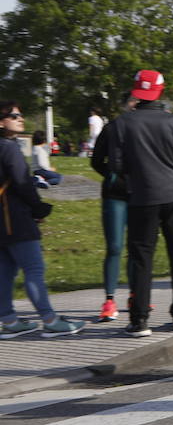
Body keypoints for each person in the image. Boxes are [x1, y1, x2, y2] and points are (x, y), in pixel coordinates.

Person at [106, 70, 173, 336]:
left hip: (142, 198)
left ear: (136, 91)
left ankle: (140, 319)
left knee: (142, 258)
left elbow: (115, 165)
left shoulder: (123, 124)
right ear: (160, 91)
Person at [0, 102, 85, 338]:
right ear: (1, 122)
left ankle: (8, 321)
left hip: (2, 221)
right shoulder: (9, 148)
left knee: (5, 271)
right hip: (15, 218)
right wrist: (38, 208)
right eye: (13, 115)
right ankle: (50, 320)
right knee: (34, 269)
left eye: (21, 114)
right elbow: (22, 183)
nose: (20, 118)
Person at [89, 93, 138, 322]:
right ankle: (109, 300)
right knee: (115, 246)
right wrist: (112, 177)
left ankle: (135, 295)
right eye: (132, 101)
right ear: (125, 105)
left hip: (140, 194)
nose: (135, 105)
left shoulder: (144, 129)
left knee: (135, 247)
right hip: (115, 195)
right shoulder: (112, 129)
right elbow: (96, 160)